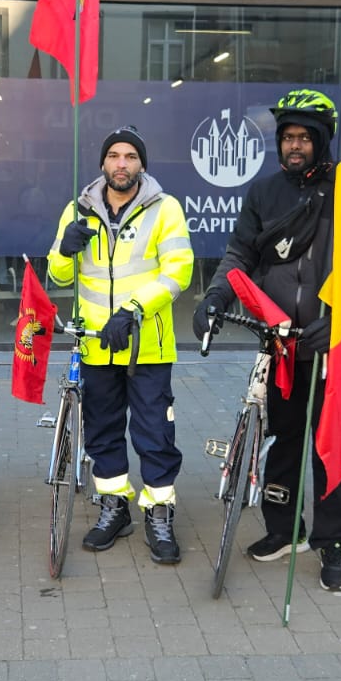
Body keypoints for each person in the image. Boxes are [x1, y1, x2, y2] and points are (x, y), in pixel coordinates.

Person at [192, 89, 341, 593]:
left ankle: (332, 543)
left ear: (321, 140)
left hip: (330, 344)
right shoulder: (264, 193)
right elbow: (240, 253)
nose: (295, 146)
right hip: (280, 342)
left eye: (305, 137)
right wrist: (216, 297)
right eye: (287, 138)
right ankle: (285, 530)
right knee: (282, 442)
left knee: (330, 450)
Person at [48, 127, 194, 564]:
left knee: (154, 434)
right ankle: (115, 507)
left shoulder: (165, 209)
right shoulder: (78, 211)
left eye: (131, 156)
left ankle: (159, 511)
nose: (122, 163)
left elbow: (178, 272)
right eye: (114, 155)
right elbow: (59, 277)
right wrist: (63, 251)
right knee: (103, 433)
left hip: (146, 345)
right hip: (95, 345)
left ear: (141, 165)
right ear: (102, 164)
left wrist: (132, 309)